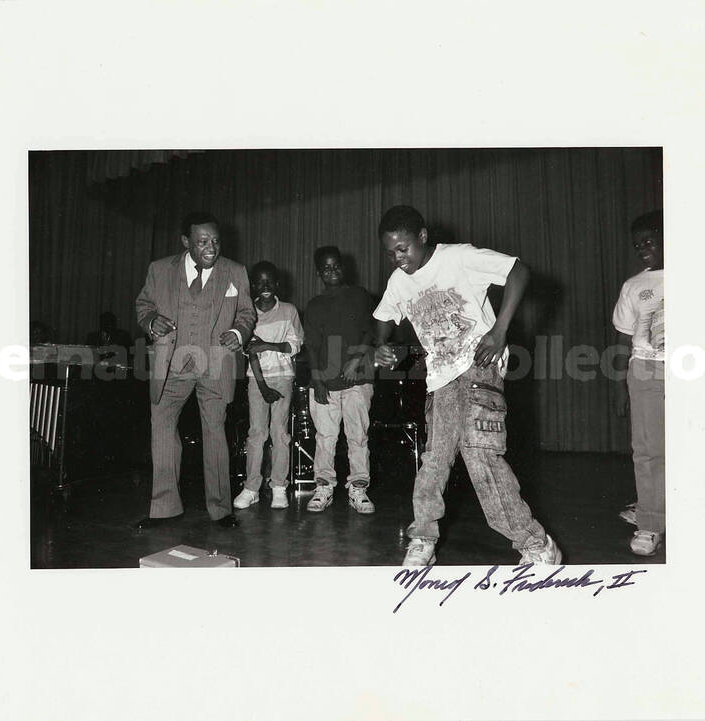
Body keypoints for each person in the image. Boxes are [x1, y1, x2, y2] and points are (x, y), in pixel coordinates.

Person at [372, 205, 561, 566]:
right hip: (440, 379)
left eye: (404, 248)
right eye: (390, 251)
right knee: (434, 459)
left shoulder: (458, 257)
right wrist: (382, 345)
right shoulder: (399, 281)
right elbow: (383, 316)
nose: (398, 258)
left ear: (423, 237)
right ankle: (423, 538)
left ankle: (536, 544)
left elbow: (518, 271)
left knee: (480, 455)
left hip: (479, 366)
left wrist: (500, 331)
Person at [134, 211, 256, 529]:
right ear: (186, 242)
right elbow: (143, 305)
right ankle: (164, 508)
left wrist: (239, 332)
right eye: (202, 242)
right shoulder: (159, 270)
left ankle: (220, 508)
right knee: (161, 429)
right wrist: (151, 321)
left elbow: (246, 312)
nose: (211, 248)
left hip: (215, 364)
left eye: (215, 241)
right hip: (171, 363)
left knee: (214, 431)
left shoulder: (235, 271)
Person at [302, 246, 376, 514]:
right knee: (325, 437)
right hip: (325, 382)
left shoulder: (359, 295)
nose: (332, 271)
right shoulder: (314, 305)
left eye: (336, 266)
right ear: (319, 273)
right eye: (326, 268)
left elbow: (371, 332)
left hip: (358, 378)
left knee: (358, 436)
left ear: (343, 268)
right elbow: (311, 346)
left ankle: (358, 488)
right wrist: (318, 381)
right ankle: (323, 488)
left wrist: (356, 360)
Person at [611, 210, 665, 555]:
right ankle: (650, 524)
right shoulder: (634, 286)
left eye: (649, 240)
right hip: (645, 370)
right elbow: (622, 341)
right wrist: (620, 386)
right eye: (637, 244)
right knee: (647, 451)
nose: (643, 248)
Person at [233, 261, 304, 510]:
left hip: (284, 378)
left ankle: (279, 487)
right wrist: (263, 387)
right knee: (256, 434)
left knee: (280, 434)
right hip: (257, 380)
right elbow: (251, 352)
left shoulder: (289, 310)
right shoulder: (247, 313)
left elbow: (294, 345)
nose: (265, 287)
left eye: (270, 282)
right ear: (252, 285)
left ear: (277, 284)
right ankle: (251, 487)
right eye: (259, 282)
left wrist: (267, 345)